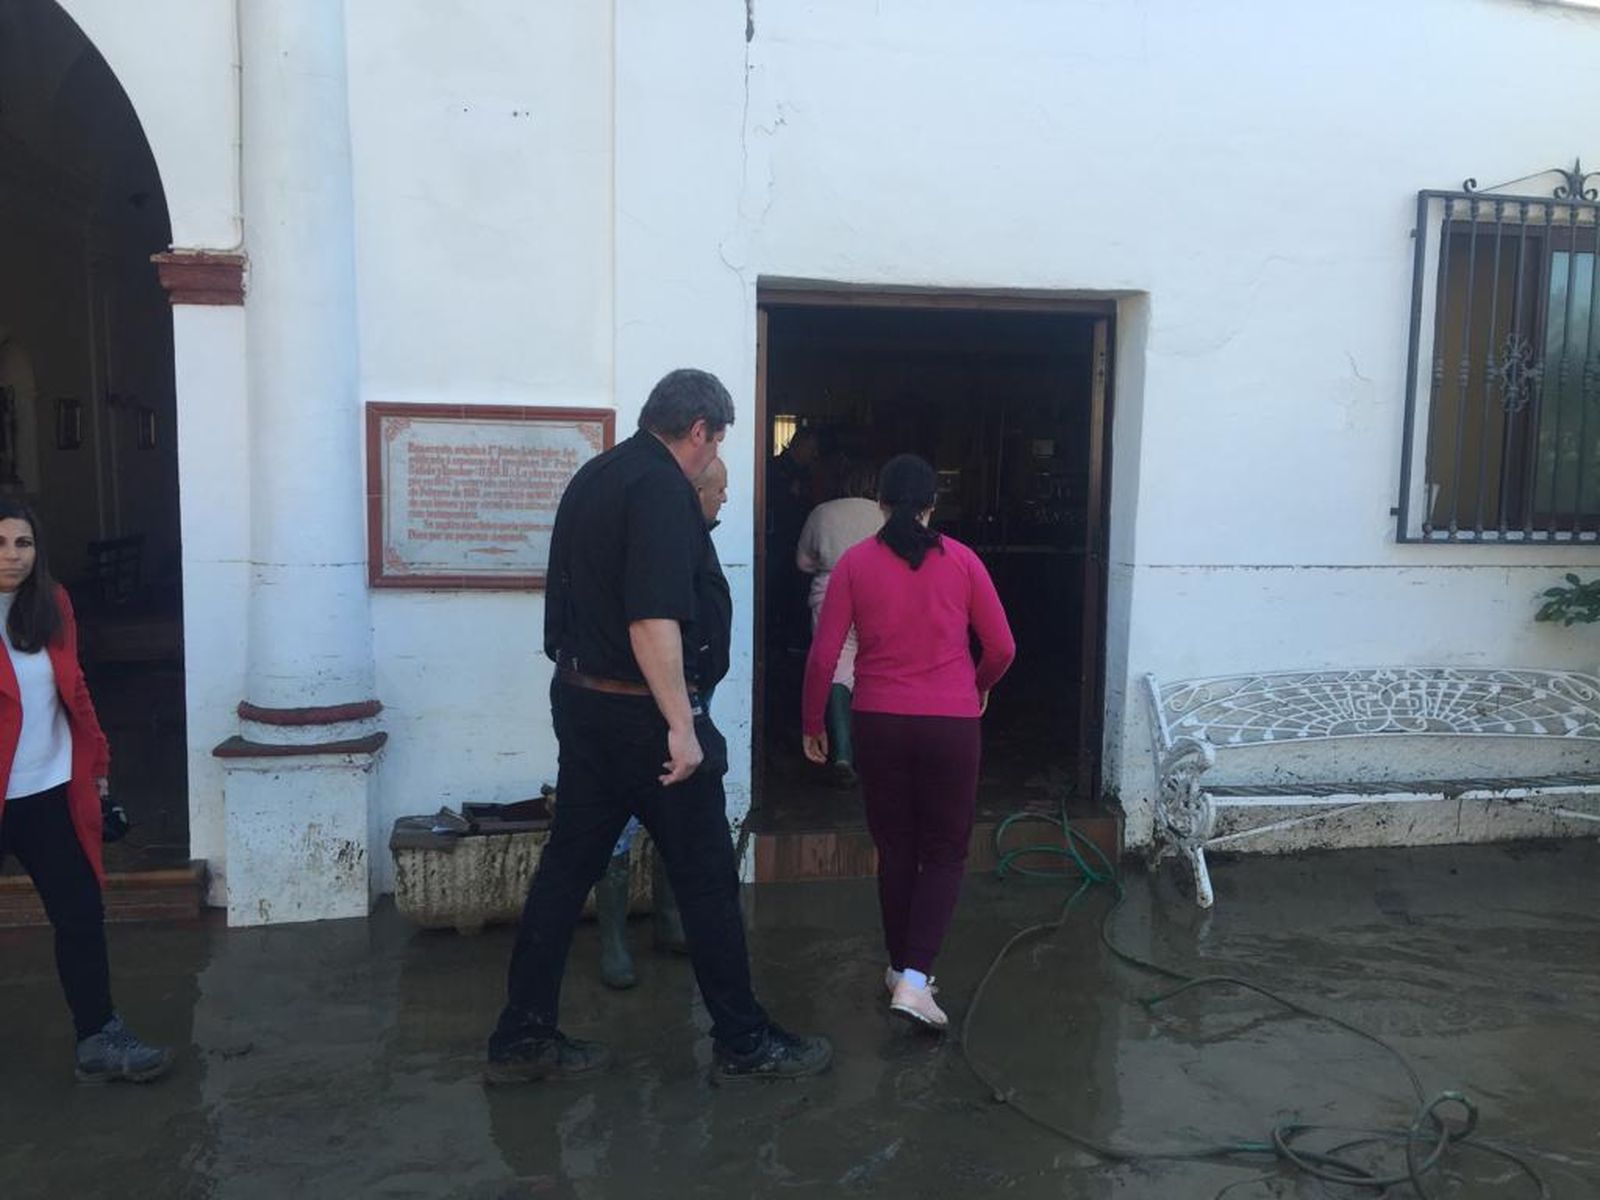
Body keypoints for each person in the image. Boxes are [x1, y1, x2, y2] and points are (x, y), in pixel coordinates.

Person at [488, 369, 831, 1084]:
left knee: (565, 873)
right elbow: (651, 618)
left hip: (582, 702)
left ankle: (522, 1038)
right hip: (639, 716)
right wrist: (681, 724)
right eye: (718, 441)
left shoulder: (597, 475)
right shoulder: (661, 489)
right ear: (699, 429)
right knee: (706, 878)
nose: (716, 457)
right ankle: (744, 1042)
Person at [800, 454, 1015, 1033]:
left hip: (879, 722)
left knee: (895, 848)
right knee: (944, 851)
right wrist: (978, 686)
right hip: (950, 725)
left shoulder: (854, 564)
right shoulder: (963, 561)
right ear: (932, 506)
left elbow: (823, 656)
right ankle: (916, 980)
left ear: (881, 504)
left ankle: (901, 969)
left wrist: (813, 723)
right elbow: (1002, 647)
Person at [0, 499, 172, 1083]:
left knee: (79, 915)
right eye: (1, 543)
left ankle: (98, 1036)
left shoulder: (53, 604)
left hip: (49, 791)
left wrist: (97, 765)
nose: (12, 556)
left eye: (23, 543)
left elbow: (73, 690)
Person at [594, 455, 728, 989]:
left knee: (679, 813)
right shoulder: (662, 541)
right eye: (719, 490)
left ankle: (671, 922)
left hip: (695, 697)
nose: (725, 498)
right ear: (695, 493)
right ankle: (613, 942)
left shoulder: (698, 539)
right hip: (647, 703)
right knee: (621, 820)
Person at [795, 460, 883, 787]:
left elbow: (803, 562)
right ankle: (876, 755)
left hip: (830, 594)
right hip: (878, 596)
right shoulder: (885, 515)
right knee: (879, 669)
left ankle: (843, 754)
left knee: (835, 670)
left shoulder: (822, 512)